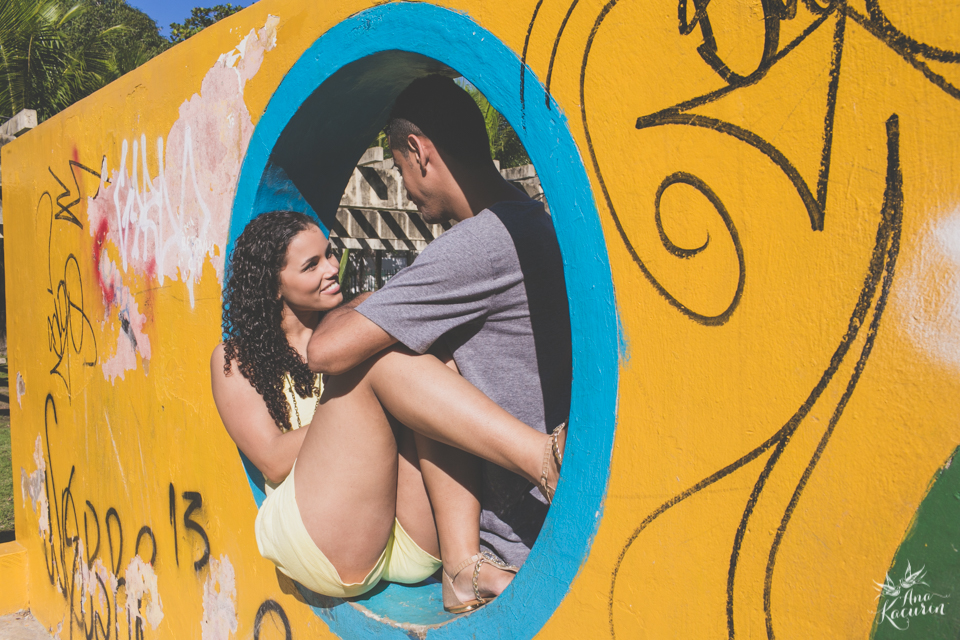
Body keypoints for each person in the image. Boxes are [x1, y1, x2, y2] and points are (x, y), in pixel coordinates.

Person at [211, 210, 563, 613]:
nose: (331, 270)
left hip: (406, 534)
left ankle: (463, 564)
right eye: (312, 265)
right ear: (273, 287)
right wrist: (359, 413)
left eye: (330, 254)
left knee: (410, 342)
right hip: (319, 537)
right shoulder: (235, 359)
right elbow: (272, 460)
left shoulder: (343, 329)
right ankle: (542, 458)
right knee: (368, 367)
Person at [308, 75, 572, 570]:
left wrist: (367, 299)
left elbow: (325, 352)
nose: (404, 189)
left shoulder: (480, 244)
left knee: (386, 355)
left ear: (419, 151)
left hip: (509, 536)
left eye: (398, 165)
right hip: (538, 521)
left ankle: (536, 471)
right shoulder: (532, 221)